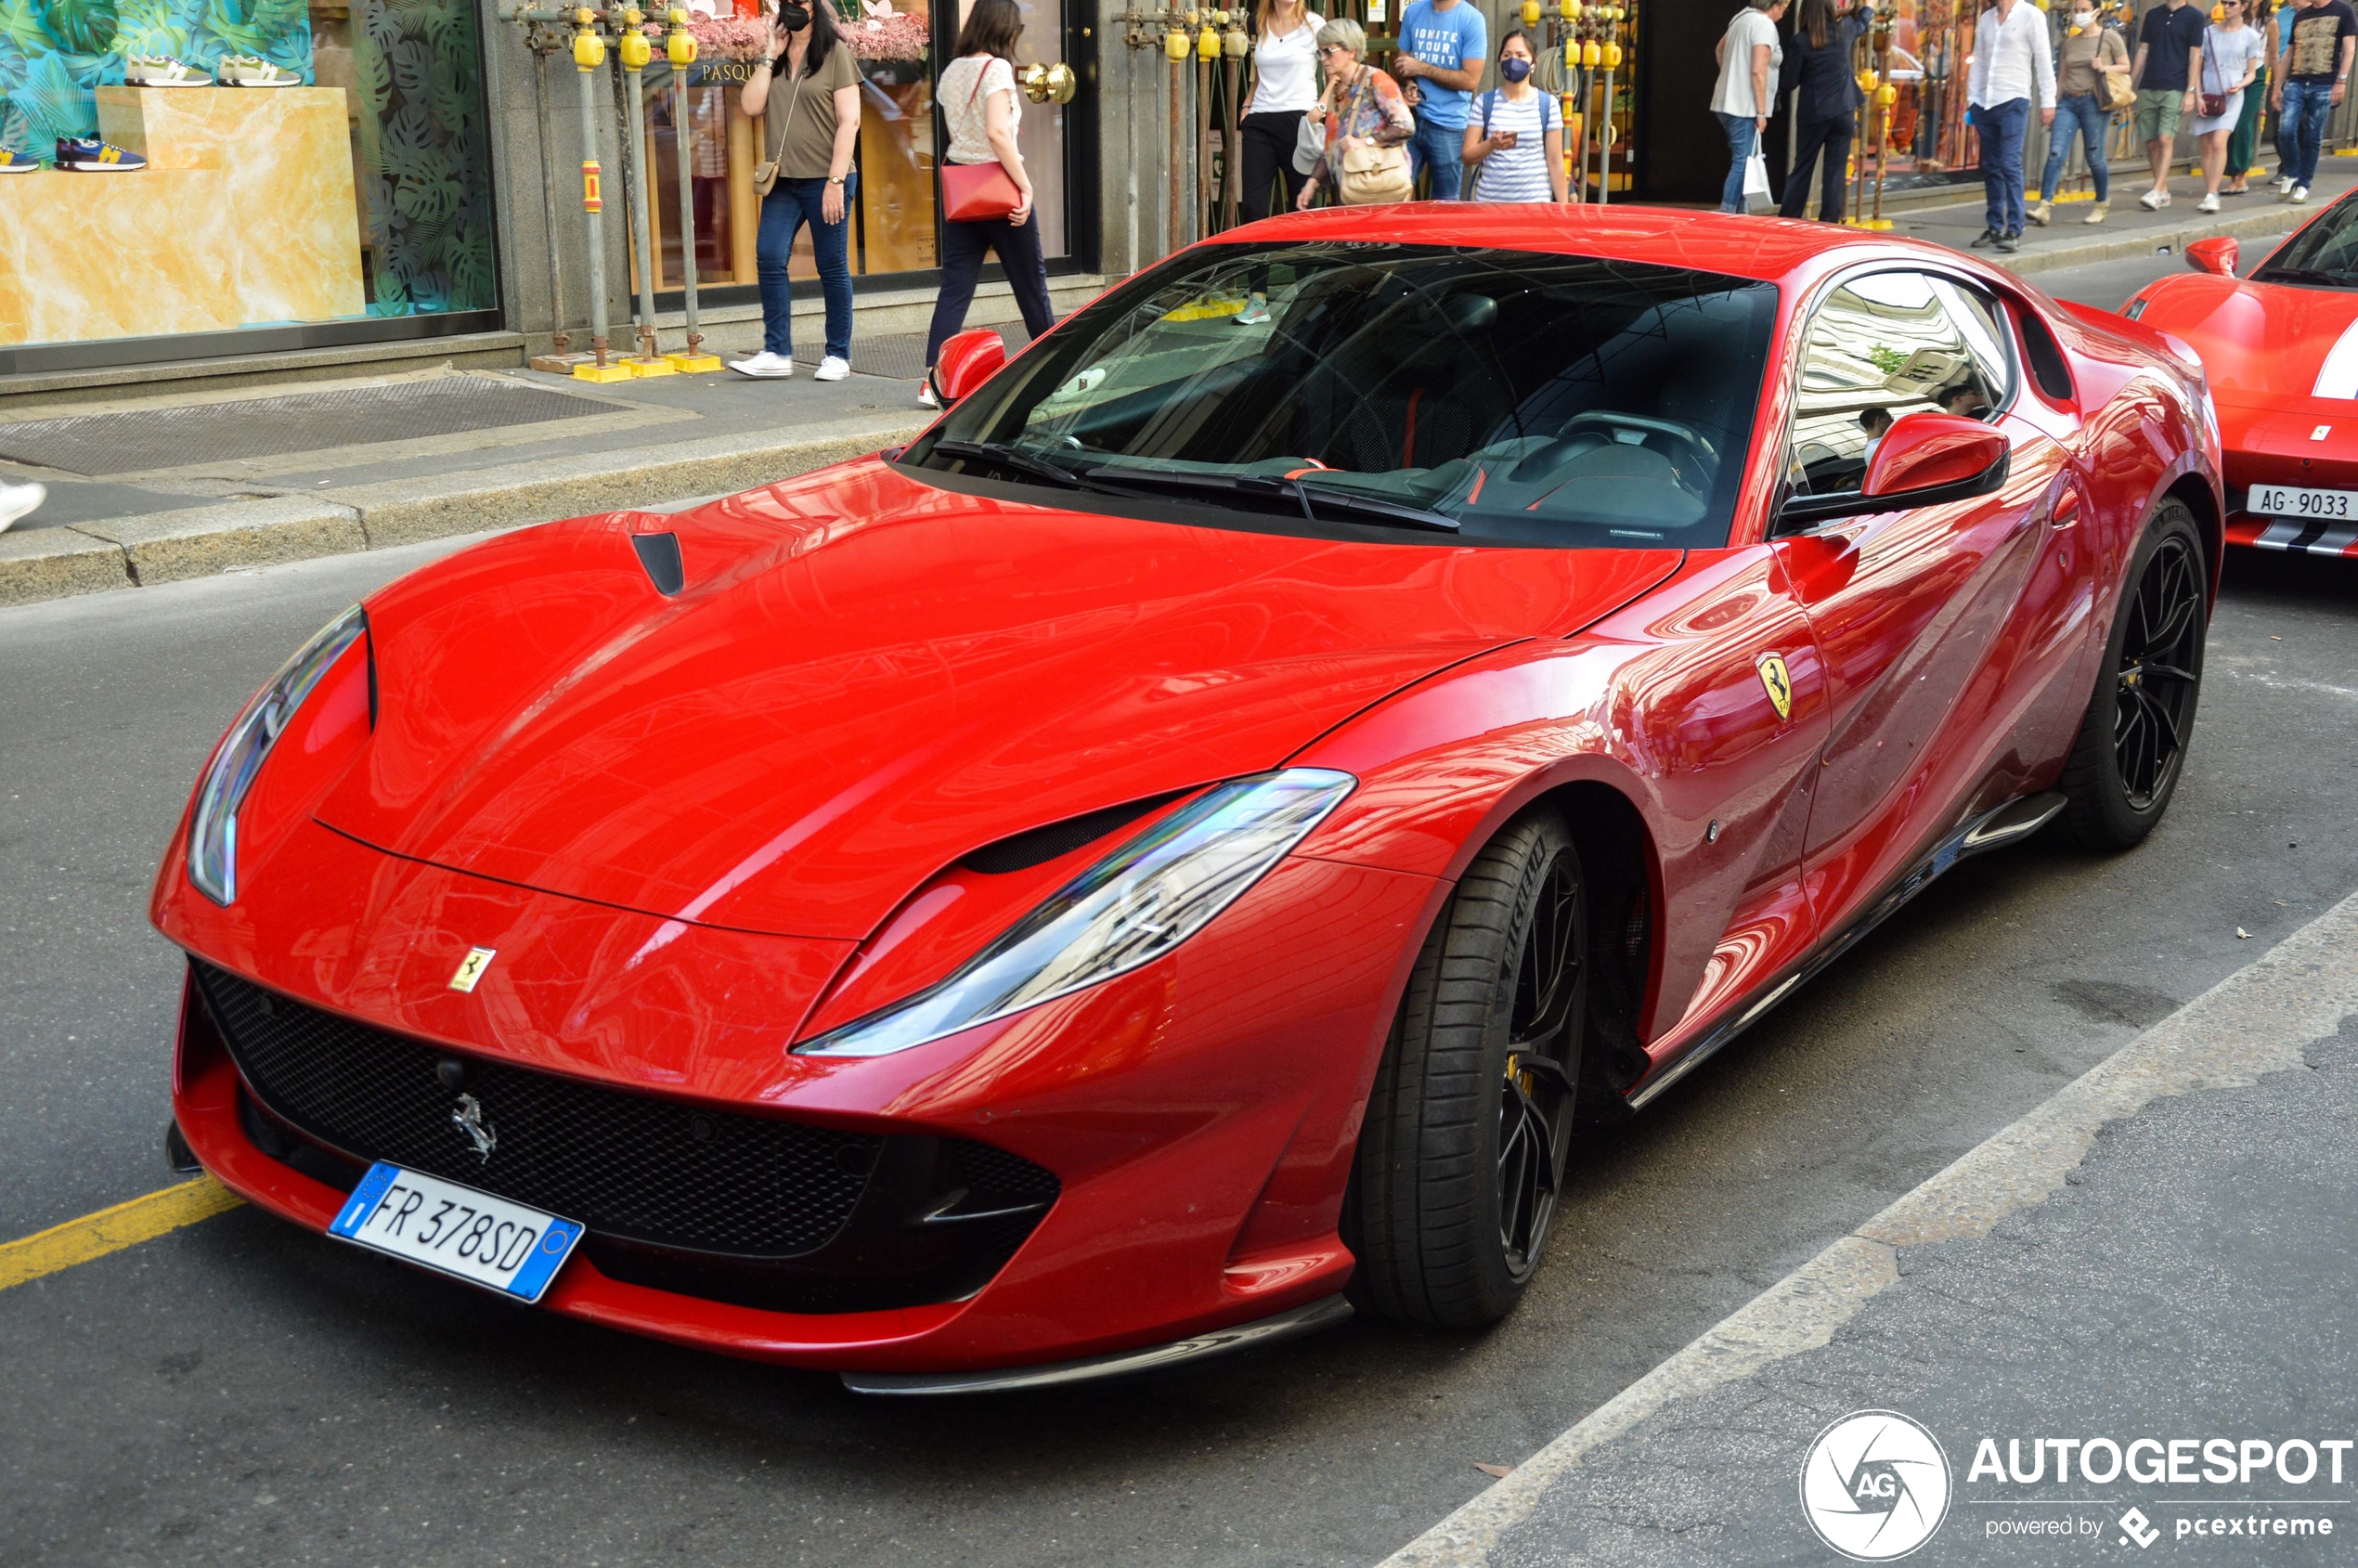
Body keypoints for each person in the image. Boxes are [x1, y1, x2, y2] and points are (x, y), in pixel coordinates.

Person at [922, 0, 1057, 406]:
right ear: (1003, 28)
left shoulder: (952, 70)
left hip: (964, 192)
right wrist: (1026, 187)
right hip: (999, 190)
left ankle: (933, 381)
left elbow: (967, 131)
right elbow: (998, 134)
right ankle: (1055, 373)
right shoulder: (995, 68)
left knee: (955, 291)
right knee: (1031, 288)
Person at [730, 0, 861, 381]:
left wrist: (836, 182)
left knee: (831, 266)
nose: (792, 7)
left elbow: (849, 121)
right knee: (769, 256)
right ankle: (776, 351)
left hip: (826, 179)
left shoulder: (835, 54)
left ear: (816, 7)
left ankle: (838, 355)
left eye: (800, 2)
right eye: (786, 1)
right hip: (783, 181)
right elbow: (751, 106)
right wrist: (770, 55)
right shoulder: (781, 57)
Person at [1233, 0, 1326, 325]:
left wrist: (1321, 109)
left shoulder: (1315, 25)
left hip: (1299, 121)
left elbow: (1337, 72)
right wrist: (1246, 105)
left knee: (1301, 209)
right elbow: (1258, 74)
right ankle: (1257, 298)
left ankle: (1307, 297)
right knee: (1255, 210)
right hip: (1260, 121)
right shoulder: (1258, 23)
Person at [1294, 19, 1415, 209]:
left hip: (1378, 186)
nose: (1323, 58)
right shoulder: (1336, 90)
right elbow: (1331, 147)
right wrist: (1311, 184)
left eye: (1329, 51)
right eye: (1320, 52)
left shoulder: (1376, 80)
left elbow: (1406, 126)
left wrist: (1365, 142)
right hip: (1348, 192)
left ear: (1351, 51)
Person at [1965, 0, 2055, 252]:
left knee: (2010, 162)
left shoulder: (2031, 16)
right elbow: (1979, 60)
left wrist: (2048, 101)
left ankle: (2015, 228)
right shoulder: (1986, 19)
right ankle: (1994, 226)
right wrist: (1972, 98)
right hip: (1985, 101)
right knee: (1991, 165)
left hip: (2013, 99)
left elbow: (2043, 61)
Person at [2030, 6, 2129, 225]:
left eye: (2084, 9)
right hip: (2068, 100)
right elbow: (2062, 76)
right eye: (2076, 9)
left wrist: (2105, 67)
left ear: (2096, 12)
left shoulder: (2109, 37)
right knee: (2056, 153)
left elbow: (2126, 66)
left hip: (2093, 101)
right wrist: (2052, 104)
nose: (2078, 13)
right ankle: (2044, 206)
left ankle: (2101, 203)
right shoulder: (2070, 42)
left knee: (2094, 156)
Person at [1780, 0, 1868, 223]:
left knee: (1803, 168)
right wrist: (1859, 10)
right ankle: (1829, 223)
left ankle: (1789, 220)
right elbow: (1863, 20)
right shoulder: (1844, 30)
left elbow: (1790, 83)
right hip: (1844, 110)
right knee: (1836, 172)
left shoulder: (1801, 41)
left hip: (1814, 113)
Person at [1393, 0, 1487, 199]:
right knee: (1393, 192)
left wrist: (1421, 68)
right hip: (1411, 119)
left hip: (1449, 125)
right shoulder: (1414, 12)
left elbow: (1471, 81)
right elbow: (1403, 63)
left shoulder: (1471, 20)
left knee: (1445, 203)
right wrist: (1409, 84)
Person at [1461, 30, 1568, 201]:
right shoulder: (1484, 103)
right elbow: (1467, 156)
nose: (1513, 61)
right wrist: (1491, 144)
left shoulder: (1548, 105)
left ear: (1533, 62)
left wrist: (1563, 209)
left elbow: (1555, 162)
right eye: (1507, 55)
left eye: (1521, 55)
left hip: (1535, 205)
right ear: (1499, 60)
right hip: (1490, 205)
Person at [2273, 0, 2357, 202]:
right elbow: (2289, 53)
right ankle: (2292, 173)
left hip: (2325, 83)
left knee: (2312, 136)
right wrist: (2277, 86)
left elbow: (2350, 49)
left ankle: (2304, 184)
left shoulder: (2343, 11)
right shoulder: (2301, 15)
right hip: (2297, 81)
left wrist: (2341, 81)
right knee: (2285, 130)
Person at [1710, 0, 1787, 214]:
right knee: (1743, 162)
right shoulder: (1763, 25)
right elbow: (1758, 69)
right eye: (1784, 8)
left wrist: (1731, 76)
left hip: (1727, 103)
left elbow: (1719, 50)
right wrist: (1761, 112)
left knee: (1742, 160)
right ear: (1776, 5)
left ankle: (1740, 211)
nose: (1783, 14)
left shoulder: (1741, 18)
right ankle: (1728, 213)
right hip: (1744, 107)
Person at [2131, 0, 2207, 209]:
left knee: (2165, 138)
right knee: (2151, 142)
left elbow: (2195, 56)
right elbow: (2142, 51)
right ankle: (2162, 189)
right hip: (2149, 84)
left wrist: (2190, 91)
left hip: (2175, 86)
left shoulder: (2195, 16)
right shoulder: (2153, 15)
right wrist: (2130, 82)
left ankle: (2156, 190)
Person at [2193, 0, 2267, 211]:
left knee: (2218, 142)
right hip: (2208, 91)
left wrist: (2240, 84)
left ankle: (2213, 193)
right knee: (2205, 145)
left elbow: (2252, 72)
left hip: (2232, 93)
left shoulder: (2251, 36)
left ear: (2244, 7)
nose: (2226, 7)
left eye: (2231, 3)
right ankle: (2210, 190)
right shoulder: (2208, 33)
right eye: (2224, 2)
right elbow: (2197, 67)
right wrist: (2197, 94)